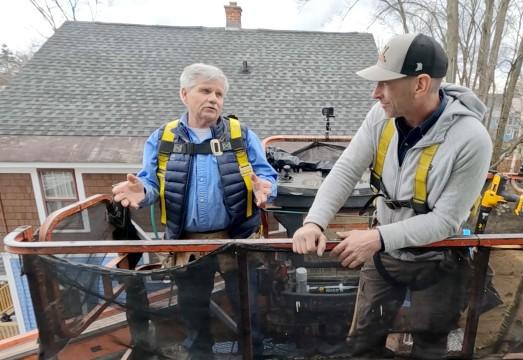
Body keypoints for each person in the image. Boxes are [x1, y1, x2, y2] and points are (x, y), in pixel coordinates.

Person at [292, 34, 492, 358]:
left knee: (430, 346)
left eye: (384, 83)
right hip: (384, 257)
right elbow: (345, 170)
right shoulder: (380, 117)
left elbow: (446, 220)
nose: (375, 94)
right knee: (363, 341)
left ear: (420, 84)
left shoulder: (471, 140)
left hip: (437, 261)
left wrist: (376, 238)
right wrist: (314, 222)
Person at [112, 63, 277, 359]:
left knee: (249, 313)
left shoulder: (240, 135)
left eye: (219, 93)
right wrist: (144, 192)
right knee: (193, 316)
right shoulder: (162, 138)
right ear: (184, 94)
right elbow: (149, 182)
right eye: (205, 90)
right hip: (187, 244)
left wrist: (265, 188)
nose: (213, 98)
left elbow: (267, 176)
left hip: (236, 242)